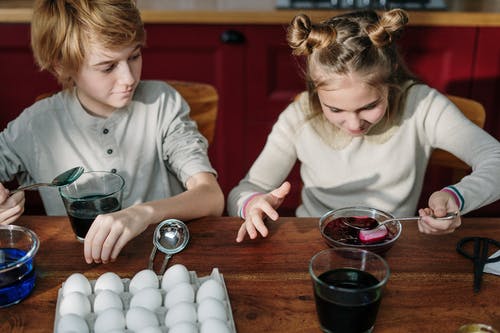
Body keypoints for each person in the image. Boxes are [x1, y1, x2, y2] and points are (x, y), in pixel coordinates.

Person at [227, 9, 500, 243]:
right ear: (316, 91)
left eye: (369, 106)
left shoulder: (421, 105)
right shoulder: (298, 117)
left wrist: (457, 197)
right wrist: (251, 203)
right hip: (313, 241)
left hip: (394, 245)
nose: (354, 124)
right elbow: (242, 192)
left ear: (390, 81)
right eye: (335, 109)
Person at [0, 0, 224, 263]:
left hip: (163, 259)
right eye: (107, 67)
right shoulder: (35, 125)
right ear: (62, 65)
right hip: (78, 266)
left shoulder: (162, 103)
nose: (129, 78)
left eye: (134, 56)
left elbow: (211, 196)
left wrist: (143, 213)